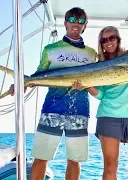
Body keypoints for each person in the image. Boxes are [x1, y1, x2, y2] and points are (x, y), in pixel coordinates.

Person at [9, 7, 97, 180]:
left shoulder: (91, 53)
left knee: (74, 160)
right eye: (72, 20)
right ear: (65, 23)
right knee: (41, 158)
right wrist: (21, 84)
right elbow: (38, 75)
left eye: (80, 21)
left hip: (79, 112)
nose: (76, 24)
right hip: (52, 110)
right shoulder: (50, 49)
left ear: (85, 26)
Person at [73, 26, 128, 180]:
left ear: (118, 39)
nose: (108, 42)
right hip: (108, 117)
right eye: (104, 40)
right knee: (110, 167)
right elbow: (100, 95)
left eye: (112, 38)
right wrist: (87, 86)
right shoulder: (99, 65)